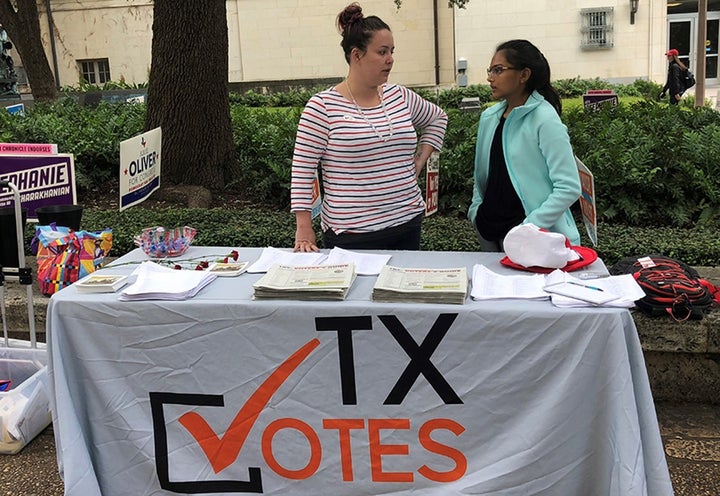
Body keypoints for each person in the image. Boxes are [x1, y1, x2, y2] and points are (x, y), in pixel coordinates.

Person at [290, 3, 447, 252]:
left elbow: (438, 118)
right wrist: (304, 227)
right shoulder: (322, 107)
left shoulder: (400, 96)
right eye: (382, 52)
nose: (390, 59)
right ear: (357, 55)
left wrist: (419, 161)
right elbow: (302, 171)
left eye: (392, 51)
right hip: (352, 234)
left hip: (407, 223)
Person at [467, 39, 581, 252]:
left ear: (524, 75)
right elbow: (481, 177)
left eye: (498, 70)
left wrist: (527, 229)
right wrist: (476, 213)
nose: (490, 77)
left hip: (533, 241)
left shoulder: (545, 119)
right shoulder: (489, 117)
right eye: (490, 70)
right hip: (489, 234)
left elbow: (569, 187)